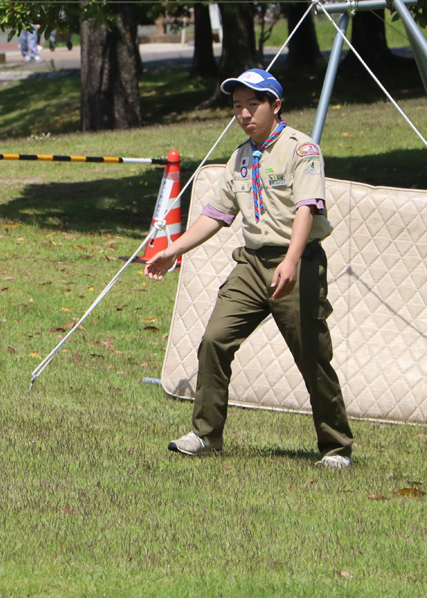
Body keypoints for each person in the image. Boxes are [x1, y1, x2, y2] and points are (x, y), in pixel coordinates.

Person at [145, 69, 354, 469]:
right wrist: (173, 250)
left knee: (312, 355)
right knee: (214, 340)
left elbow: (307, 209)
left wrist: (291, 261)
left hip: (298, 262)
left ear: (276, 106)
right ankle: (206, 435)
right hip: (252, 264)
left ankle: (336, 447)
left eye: (252, 104)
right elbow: (216, 214)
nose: (243, 113)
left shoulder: (301, 150)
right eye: (237, 106)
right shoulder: (240, 157)